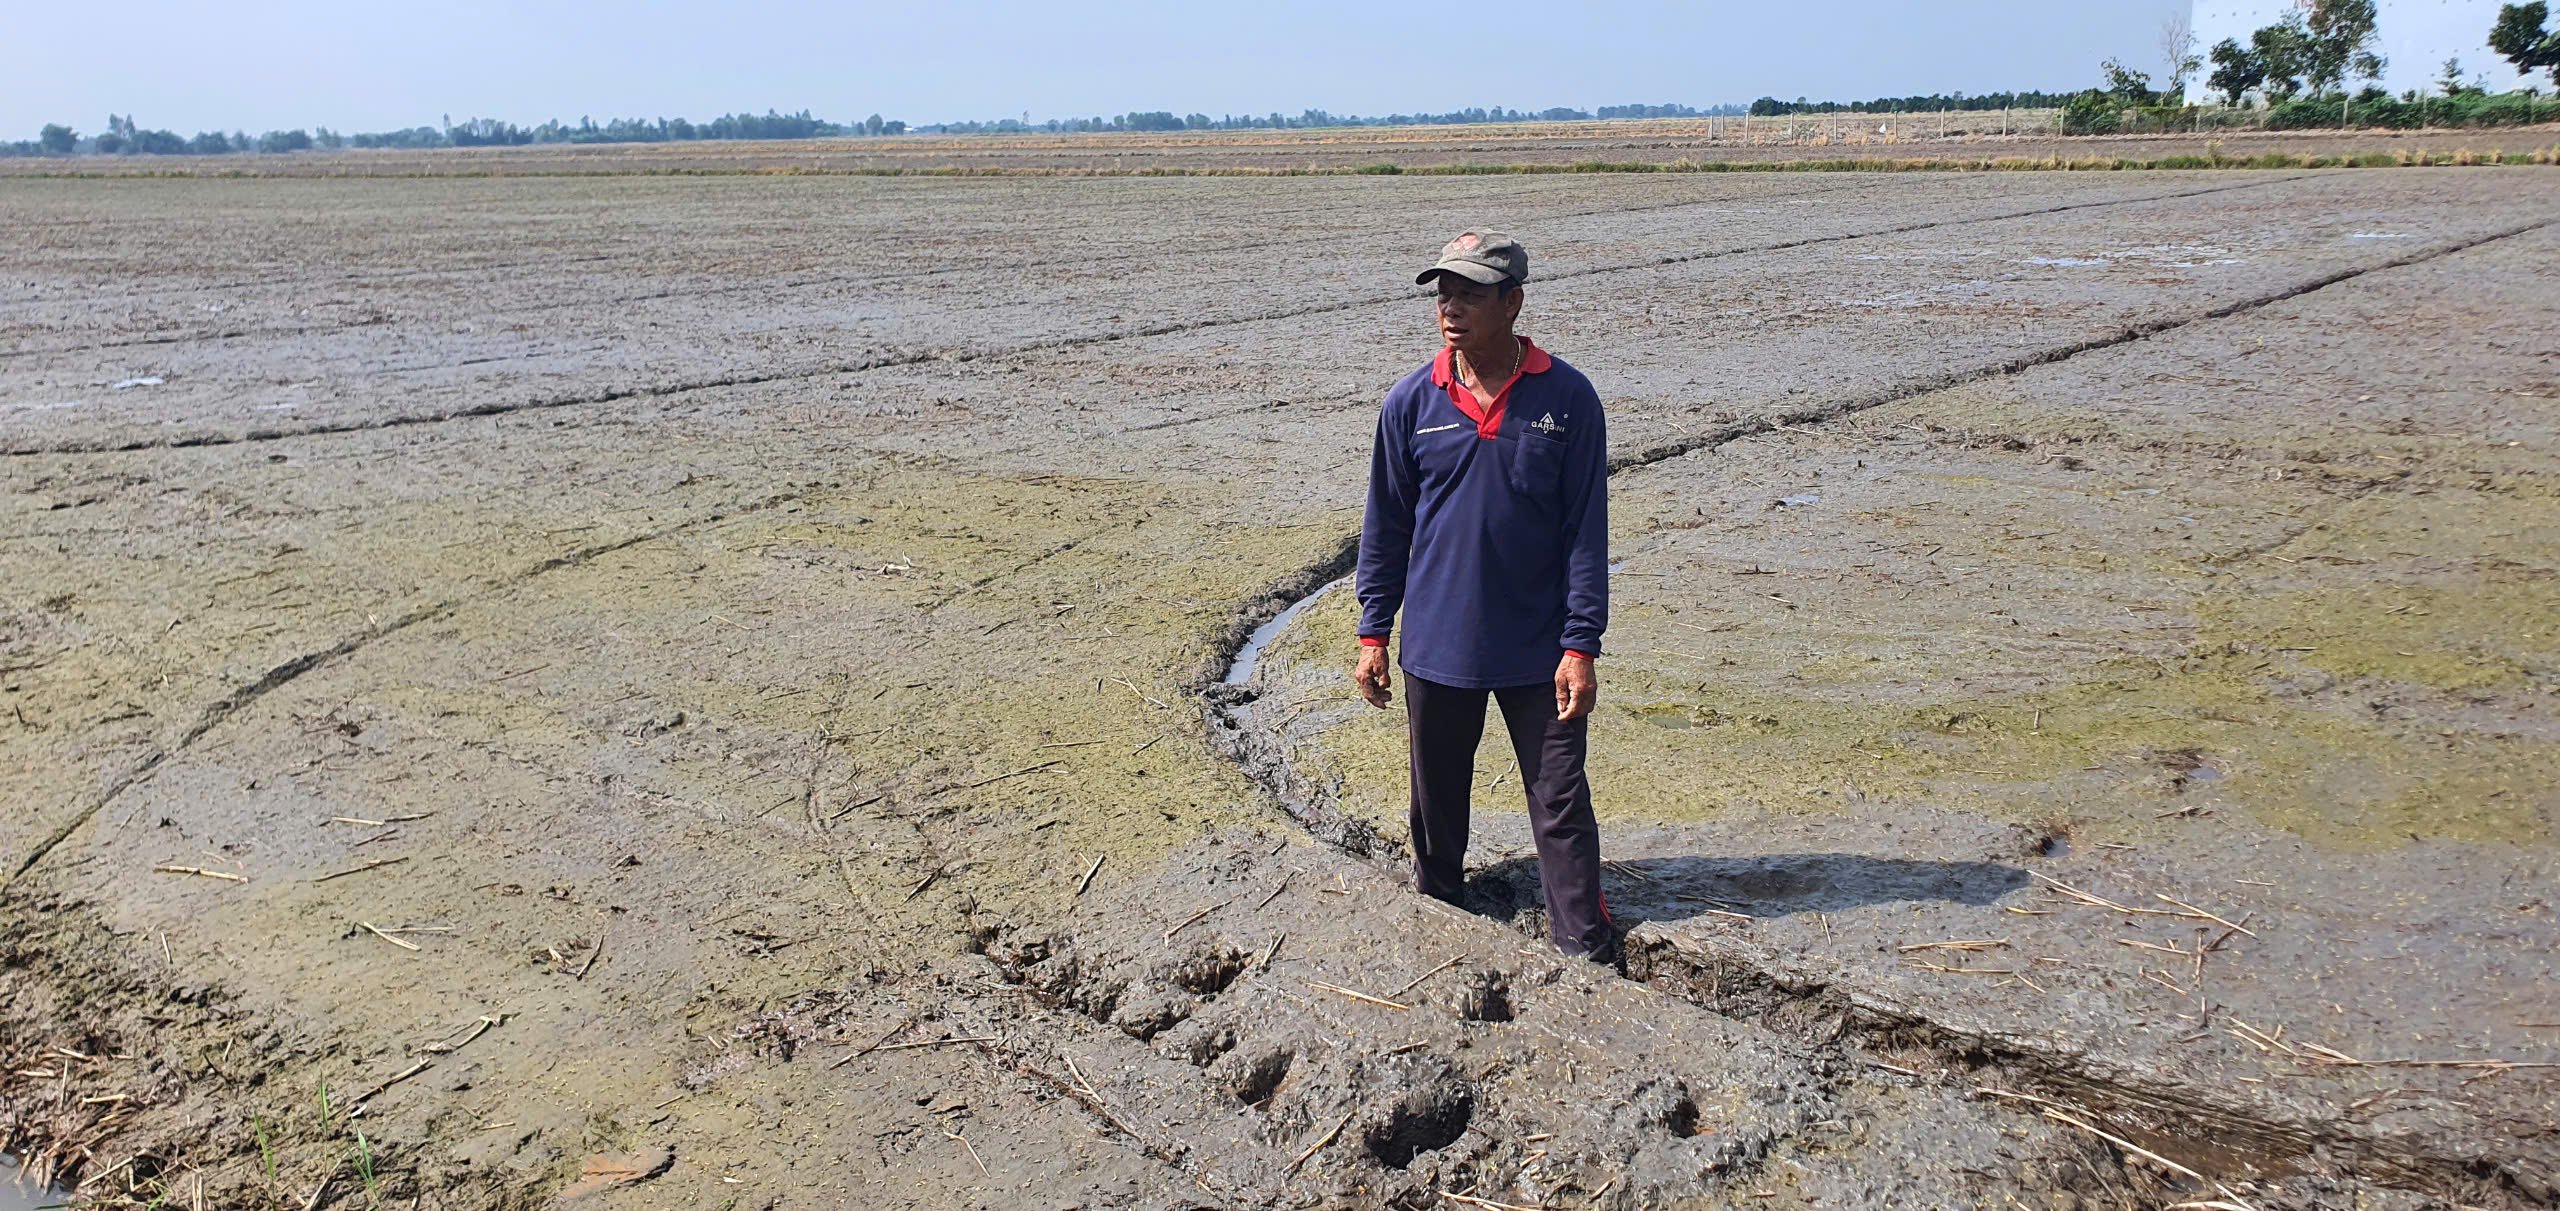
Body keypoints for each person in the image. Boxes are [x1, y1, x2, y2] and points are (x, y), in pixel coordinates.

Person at [1353, 230, 1614, 963]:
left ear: (1514, 302)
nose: (1451, 308)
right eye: (1444, 293)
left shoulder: (1568, 400)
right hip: (1438, 649)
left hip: (1541, 650)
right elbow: (1386, 527)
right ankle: (1440, 925)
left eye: (1469, 293)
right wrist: (1375, 632)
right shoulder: (1412, 403)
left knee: (1560, 803)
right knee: (1436, 809)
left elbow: (1585, 533)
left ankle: (1587, 949)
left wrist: (1581, 643)